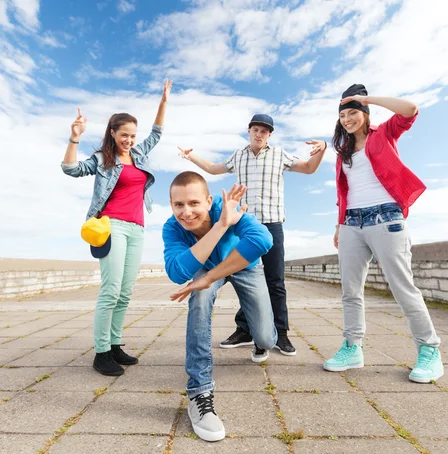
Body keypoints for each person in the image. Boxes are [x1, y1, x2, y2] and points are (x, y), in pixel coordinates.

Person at [320, 83, 443, 383]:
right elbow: (343, 192)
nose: (347, 119)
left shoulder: (384, 133)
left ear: (364, 112)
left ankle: (429, 350)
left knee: (403, 289)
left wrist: (368, 99)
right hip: (351, 224)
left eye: (353, 112)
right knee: (350, 292)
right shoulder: (343, 152)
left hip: (386, 219)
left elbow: (410, 109)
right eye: (343, 115)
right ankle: (353, 347)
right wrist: (339, 225)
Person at [178, 114, 326, 356]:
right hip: (244, 225)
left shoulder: (280, 155)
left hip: (272, 223)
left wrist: (323, 149)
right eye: (256, 130)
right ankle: (245, 330)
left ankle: (282, 333)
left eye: (265, 131)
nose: (260, 134)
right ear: (249, 131)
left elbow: (309, 168)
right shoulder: (239, 156)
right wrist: (190, 155)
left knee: (275, 281)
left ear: (270, 135)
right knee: (245, 277)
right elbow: (214, 169)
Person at [61, 79, 173, 377]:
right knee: (110, 290)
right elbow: (70, 169)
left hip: (137, 228)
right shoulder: (102, 160)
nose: (130, 140)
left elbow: (157, 133)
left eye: (133, 135)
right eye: (124, 135)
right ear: (112, 133)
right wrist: (74, 138)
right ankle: (100, 353)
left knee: (125, 292)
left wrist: (163, 101)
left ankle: (114, 345)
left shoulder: (138, 154)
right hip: (112, 228)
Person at [163, 171, 277, 442]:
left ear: (208, 200)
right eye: (179, 205)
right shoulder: (173, 227)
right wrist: (220, 227)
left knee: (265, 338)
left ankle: (260, 338)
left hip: (244, 264)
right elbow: (177, 272)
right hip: (206, 266)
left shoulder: (226, 207)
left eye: (193, 203)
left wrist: (210, 276)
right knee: (199, 298)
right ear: (171, 206)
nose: (187, 212)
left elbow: (263, 240)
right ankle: (200, 390)